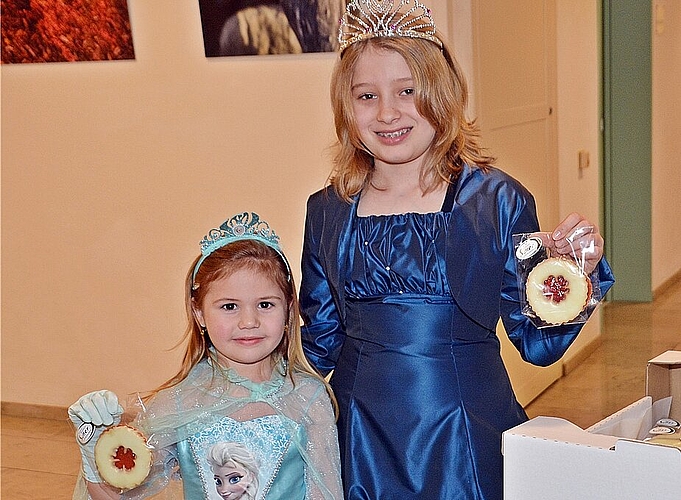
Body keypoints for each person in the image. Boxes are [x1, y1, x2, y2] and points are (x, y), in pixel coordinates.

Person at [298, 1, 615, 499]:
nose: (387, 112)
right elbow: (318, 342)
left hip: (464, 432)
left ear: (442, 94)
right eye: (366, 96)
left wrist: (571, 277)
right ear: (345, 107)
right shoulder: (327, 211)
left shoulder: (497, 201)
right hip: (359, 438)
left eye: (407, 91)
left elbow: (536, 343)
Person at [68, 212, 343, 500]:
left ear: (288, 308)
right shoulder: (178, 402)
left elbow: (327, 493)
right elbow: (118, 495)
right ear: (199, 312)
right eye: (228, 306)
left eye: (265, 304)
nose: (249, 321)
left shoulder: (309, 397)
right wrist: (97, 451)